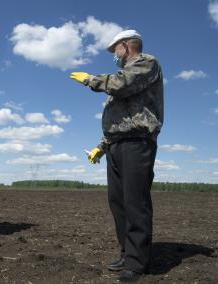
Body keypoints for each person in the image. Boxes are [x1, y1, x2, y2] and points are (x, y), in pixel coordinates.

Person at [70, 30, 164, 283]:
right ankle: (127, 253)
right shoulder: (122, 75)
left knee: (135, 202)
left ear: (125, 46)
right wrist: (101, 146)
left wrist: (91, 79)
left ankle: (137, 263)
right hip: (117, 145)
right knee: (118, 202)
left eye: (115, 50)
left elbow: (121, 85)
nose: (114, 55)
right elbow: (119, 118)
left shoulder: (146, 63)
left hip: (137, 142)